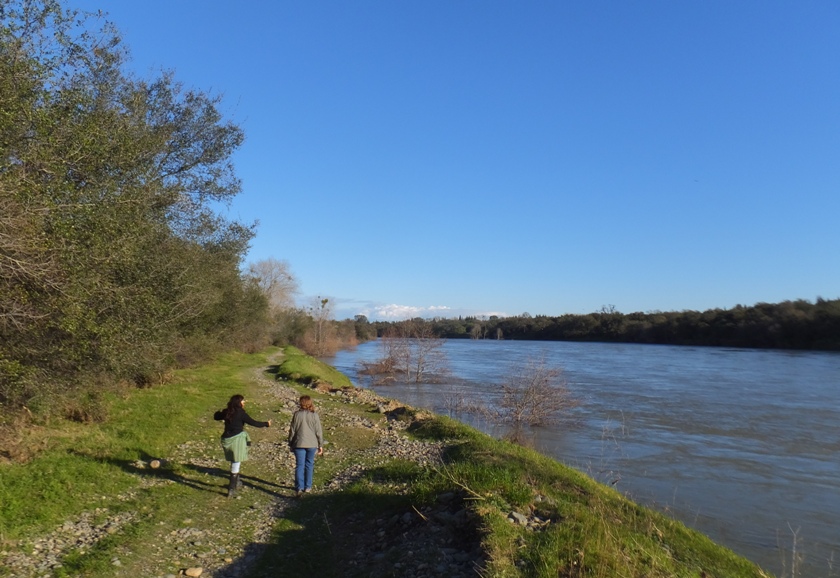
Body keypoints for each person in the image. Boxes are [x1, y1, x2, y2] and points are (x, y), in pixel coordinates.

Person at [214, 394, 271, 497]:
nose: (244, 402)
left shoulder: (227, 412)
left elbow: (216, 417)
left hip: (226, 439)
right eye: (243, 401)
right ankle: (231, 488)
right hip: (237, 440)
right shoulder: (241, 413)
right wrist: (266, 424)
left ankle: (237, 482)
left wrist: (219, 412)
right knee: (236, 461)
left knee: (233, 460)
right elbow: (253, 423)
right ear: (239, 403)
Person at [288, 395, 324, 497]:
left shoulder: (297, 415)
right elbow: (319, 431)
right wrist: (320, 444)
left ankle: (299, 487)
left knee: (299, 465)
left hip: (299, 443)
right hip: (312, 444)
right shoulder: (314, 415)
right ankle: (307, 487)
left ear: (301, 403)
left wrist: (290, 443)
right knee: (309, 464)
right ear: (310, 403)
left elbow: (292, 430)